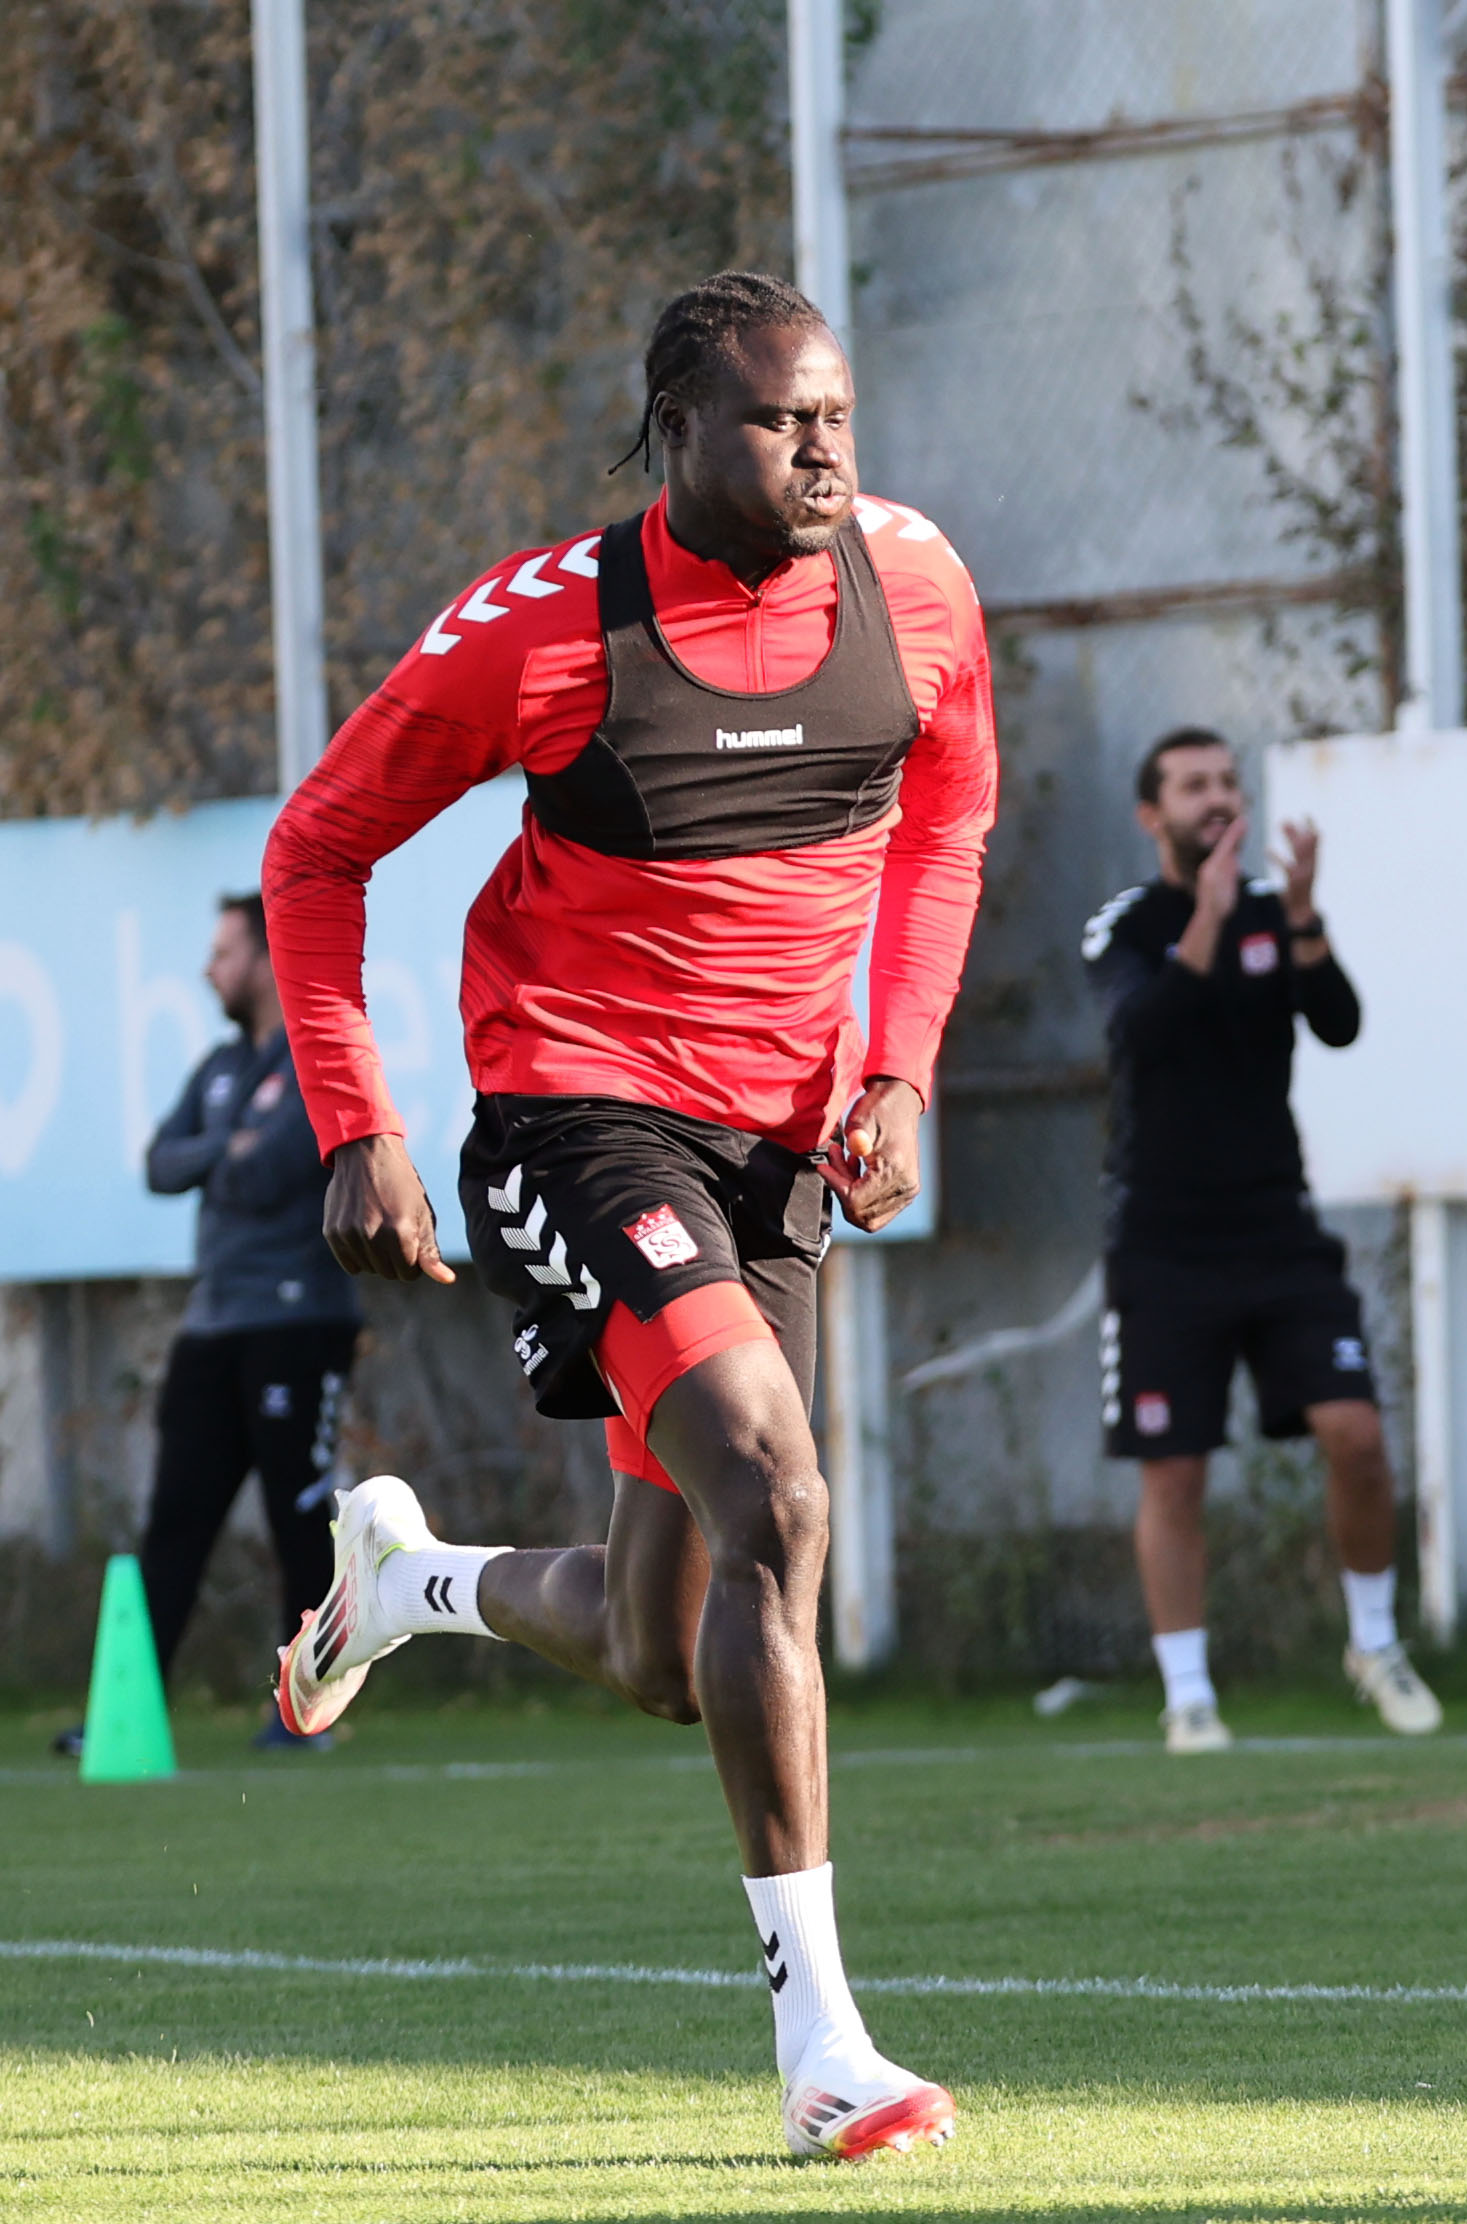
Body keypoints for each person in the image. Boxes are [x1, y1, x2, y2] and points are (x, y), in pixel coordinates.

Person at [259, 272, 995, 2157]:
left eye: (836, 414)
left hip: (781, 1146)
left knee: (669, 1650)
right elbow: (317, 848)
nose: (821, 448)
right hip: (576, 1109)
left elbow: (947, 824)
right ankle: (826, 2046)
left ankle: (409, 1583)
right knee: (782, 1498)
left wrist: (900, 1069)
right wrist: (358, 1122)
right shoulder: (542, 629)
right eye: (778, 419)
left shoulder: (916, 584)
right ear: (676, 431)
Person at [1082, 728, 1440, 1754]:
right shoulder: (1126, 926)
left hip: (1279, 1231)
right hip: (1162, 1244)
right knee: (1175, 1472)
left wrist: (1304, 914)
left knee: (1356, 1433)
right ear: (1151, 814)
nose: (1217, 798)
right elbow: (1146, 1032)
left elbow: (1339, 1021)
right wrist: (1207, 912)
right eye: (1193, 785)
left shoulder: (1274, 915)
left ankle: (1374, 1645)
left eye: (1227, 782)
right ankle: (1189, 1696)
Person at [127, 894, 361, 1749]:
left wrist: (221, 1154)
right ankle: (128, 1708)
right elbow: (160, 1164)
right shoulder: (221, 1068)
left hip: (297, 1325)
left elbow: (268, 1173)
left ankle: (306, 1712)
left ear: (265, 960)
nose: (208, 970)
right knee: (175, 1521)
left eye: (224, 953)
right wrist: (227, 1146)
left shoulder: (315, 1057)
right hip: (213, 1324)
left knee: (300, 1521)